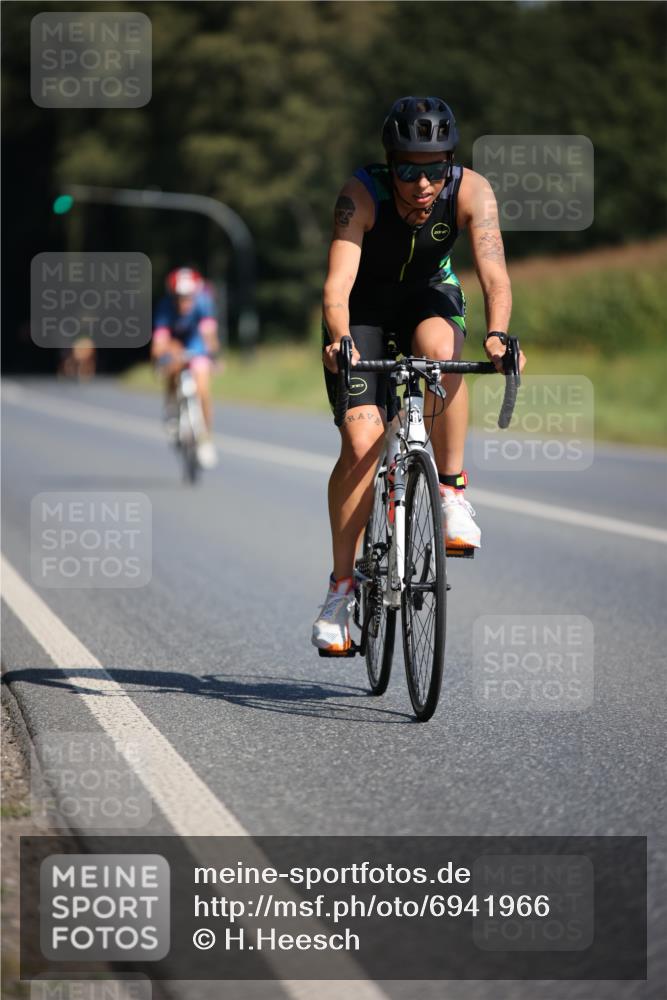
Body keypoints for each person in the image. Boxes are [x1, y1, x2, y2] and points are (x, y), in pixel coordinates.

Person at [312, 95, 526, 653]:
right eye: (409, 170)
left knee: (439, 350)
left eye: (435, 170)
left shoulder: (473, 191)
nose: (423, 185)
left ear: (450, 164)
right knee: (361, 444)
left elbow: (495, 276)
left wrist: (498, 335)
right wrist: (339, 340)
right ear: (390, 164)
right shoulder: (361, 195)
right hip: (361, 312)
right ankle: (340, 590)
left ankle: (451, 490)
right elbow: (336, 288)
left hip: (429, 297)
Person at [151, 267, 220, 469]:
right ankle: (171, 408)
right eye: (179, 297)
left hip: (195, 343)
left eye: (188, 297)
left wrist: (213, 354)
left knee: (204, 390)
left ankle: (205, 438)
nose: (184, 302)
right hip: (173, 344)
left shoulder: (204, 303)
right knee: (170, 365)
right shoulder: (165, 308)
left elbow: (209, 335)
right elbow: (159, 341)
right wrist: (161, 357)